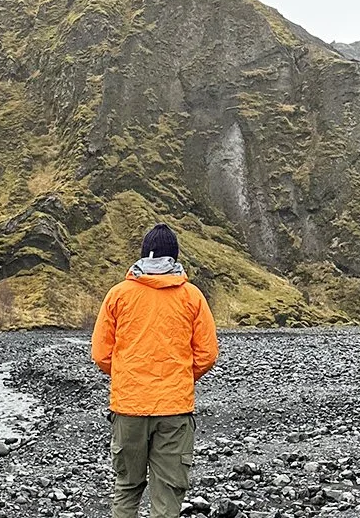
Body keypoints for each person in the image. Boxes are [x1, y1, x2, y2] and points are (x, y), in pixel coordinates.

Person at [91, 222, 219, 518]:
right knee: (167, 493)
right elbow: (207, 354)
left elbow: (100, 353)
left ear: (142, 256)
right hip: (174, 409)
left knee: (127, 487)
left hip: (129, 408)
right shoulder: (192, 296)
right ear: (175, 257)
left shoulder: (118, 295)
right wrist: (182, 377)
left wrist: (127, 376)